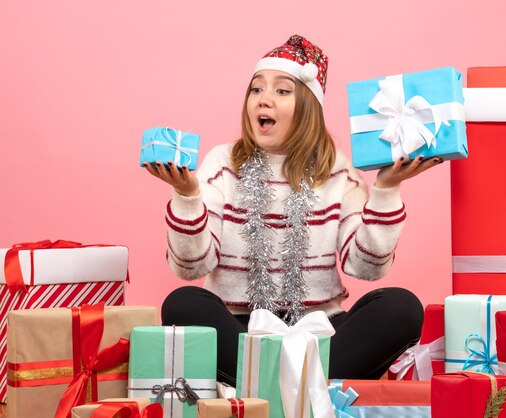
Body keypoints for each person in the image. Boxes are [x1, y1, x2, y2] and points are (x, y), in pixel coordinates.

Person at [144, 34, 442, 387]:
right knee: (182, 303)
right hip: (241, 332)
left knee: (401, 308)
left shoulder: (338, 170)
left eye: (282, 91)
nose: (263, 100)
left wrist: (386, 189)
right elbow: (192, 266)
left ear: (308, 106)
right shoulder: (221, 163)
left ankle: (269, 389)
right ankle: (307, 390)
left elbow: (365, 268)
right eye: (256, 90)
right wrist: (187, 195)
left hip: (321, 334)